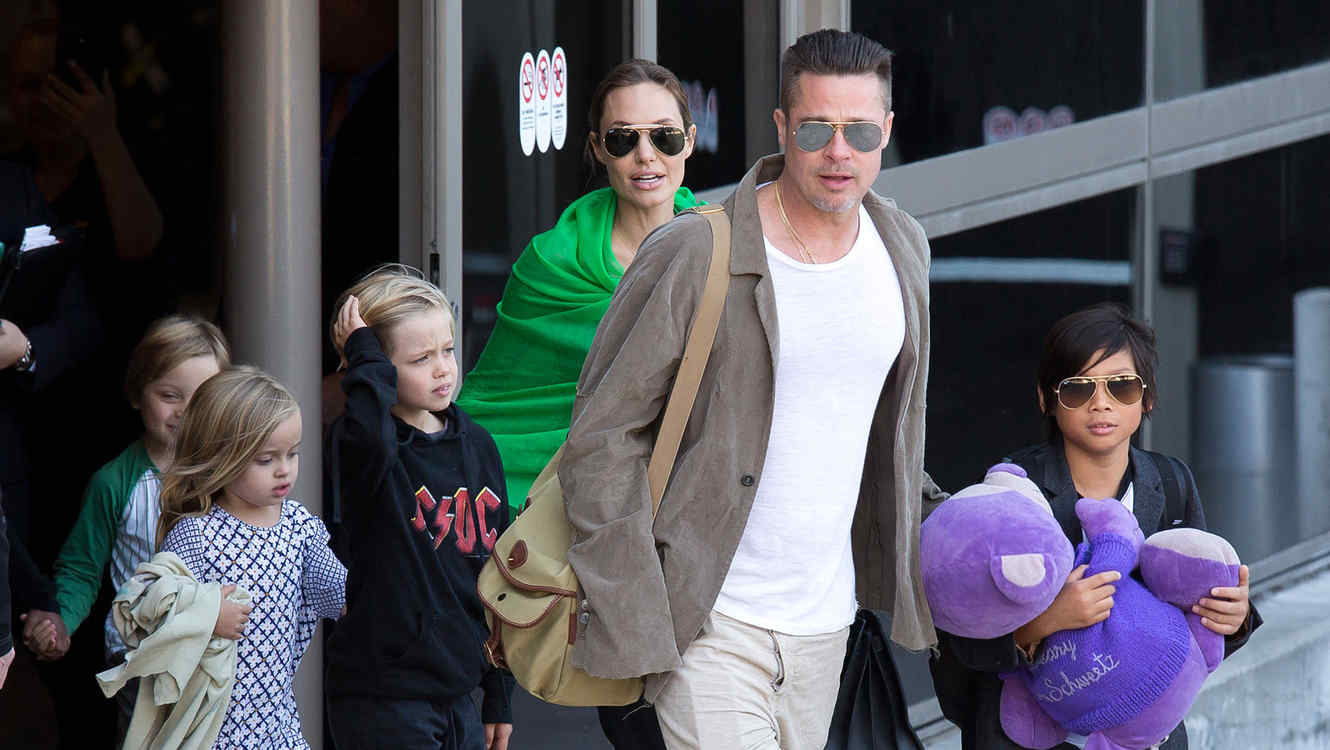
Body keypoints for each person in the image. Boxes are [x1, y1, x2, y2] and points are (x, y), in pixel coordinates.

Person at [559, 29, 946, 750]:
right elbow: (602, 437)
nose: (839, 152)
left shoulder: (902, 248)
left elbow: (886, 434)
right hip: (707, 622)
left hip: (827, 627)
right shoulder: (696, 249)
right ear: (781, 127)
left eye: (860, 131)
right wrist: (638, 615)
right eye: (816, 129)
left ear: (888, 131)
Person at [456, 58, 698, 749]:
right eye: (623, 139)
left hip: (700, 532)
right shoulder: (551, 266)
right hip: (601, 536)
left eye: (663, 137)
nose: (645, 156)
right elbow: (502, 409)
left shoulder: (724, 248)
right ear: (597, 148)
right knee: (635, 723)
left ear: (688, 140)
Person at [929, 302, 1262, 749]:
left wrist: (1233, 616)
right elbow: (959, 629)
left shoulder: (1170, 480)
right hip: (1028, 734)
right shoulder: (1012, 491)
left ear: (1147, 397)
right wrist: (1043, 622)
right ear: (1047, 399)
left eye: (1121, 386)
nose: (1101, 402)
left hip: (1142, 731)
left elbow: (1193, 606)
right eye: (1078, 388)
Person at [324, 266, 514, 750]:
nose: (443, 368)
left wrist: (498, 691)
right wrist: (363, 356)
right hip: (383, 695)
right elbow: (372, 438)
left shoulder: (478, 444)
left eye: (447, 350)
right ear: (376, 367)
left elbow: (499, 573)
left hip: (460, 692)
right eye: (420, 358)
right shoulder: (364, 445)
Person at [22, 315, 229, 738]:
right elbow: (81, 569)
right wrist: (59, 621)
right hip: (142, 662)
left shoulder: (234, 475)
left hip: (221, 660)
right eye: (169, 395)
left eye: (202, 397)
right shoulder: (115, 481)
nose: (185, 411)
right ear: (137, 393)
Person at [157, 366, 345, 749]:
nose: (284, 470)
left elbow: (339, 595)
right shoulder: (196, 535)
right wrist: (207, 614)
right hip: (210, 730)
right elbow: (153, 611)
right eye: (265, 459)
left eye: (292, 454)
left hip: (278, 727)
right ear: (220, 456)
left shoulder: (300, 527)